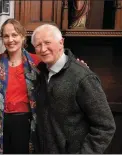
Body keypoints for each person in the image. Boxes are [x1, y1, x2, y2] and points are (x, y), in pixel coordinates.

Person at [31, 24, 116, 153]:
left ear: (61, 43)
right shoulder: (40, 74)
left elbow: (105, 126)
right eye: (38, 45)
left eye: (47, 42)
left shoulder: (83, 77)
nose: (43, 49)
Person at [0, 19, 41, 154]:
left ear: (23, 36)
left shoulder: (37, 61)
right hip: (0, 121)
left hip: (25, 122)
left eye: (14, 35)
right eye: (6, 36)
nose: (10, 40)